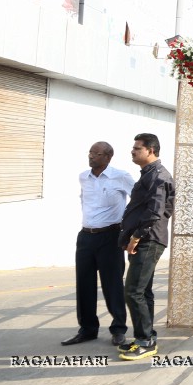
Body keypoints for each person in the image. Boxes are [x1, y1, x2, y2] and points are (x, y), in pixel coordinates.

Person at [63, 142, 135, 348]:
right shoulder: (83, 177)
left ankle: (119, 329)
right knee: (84, 284)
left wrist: (127, 229)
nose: (92, 156)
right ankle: (87, 329)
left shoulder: (120, 176)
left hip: (110, 237)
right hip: (85, 237)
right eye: (90, 153)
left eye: (97, 153)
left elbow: (138, 200)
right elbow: (84, 202)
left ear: (108, 157)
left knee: (112, 284)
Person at [116, 133, 174, 361]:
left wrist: (136, 237)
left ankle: (145, 341)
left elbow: (155, 212)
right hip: (146, 239)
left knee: (132, 291)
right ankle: (146, 336)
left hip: (148, 240)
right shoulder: (150, 175)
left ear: (150, 150)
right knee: (143, 291)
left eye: (136, 148)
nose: (132, 151)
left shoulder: (158, 176)